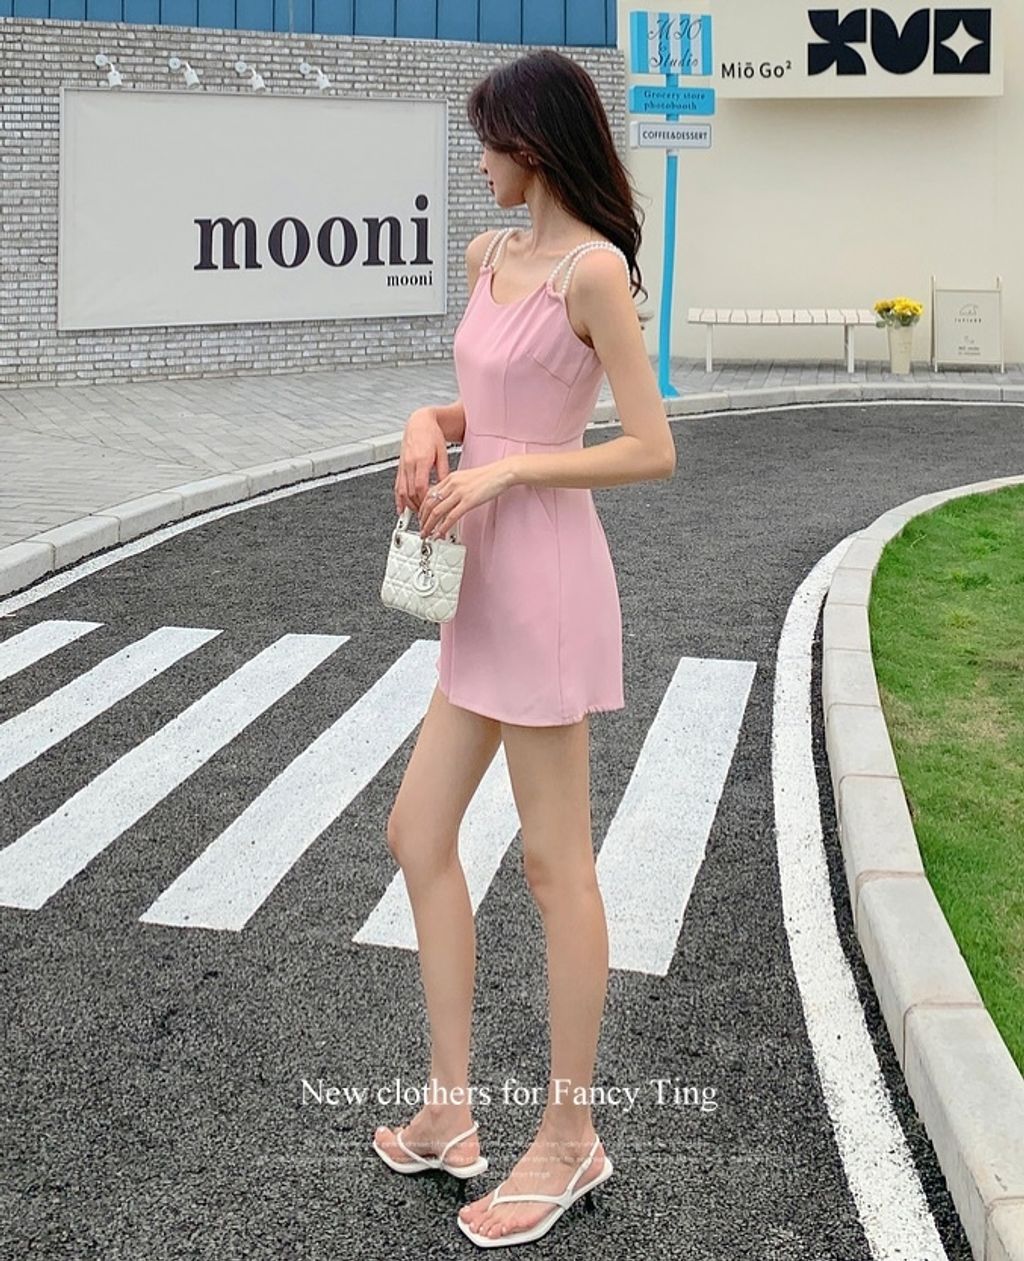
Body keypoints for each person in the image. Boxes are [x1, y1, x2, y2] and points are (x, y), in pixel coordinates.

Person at [372, 48, 676, 1248]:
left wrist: (506, 471)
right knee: (416, 832)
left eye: (489, 142)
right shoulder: (486, 256)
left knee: (556, 869)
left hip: (545, 577)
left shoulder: (592, 273)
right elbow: (483, 404)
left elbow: (649, 445)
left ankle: (569, 1135)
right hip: (476, 586)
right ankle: (450, 1111)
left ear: (534, 146)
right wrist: (426, 421)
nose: (480, 163)